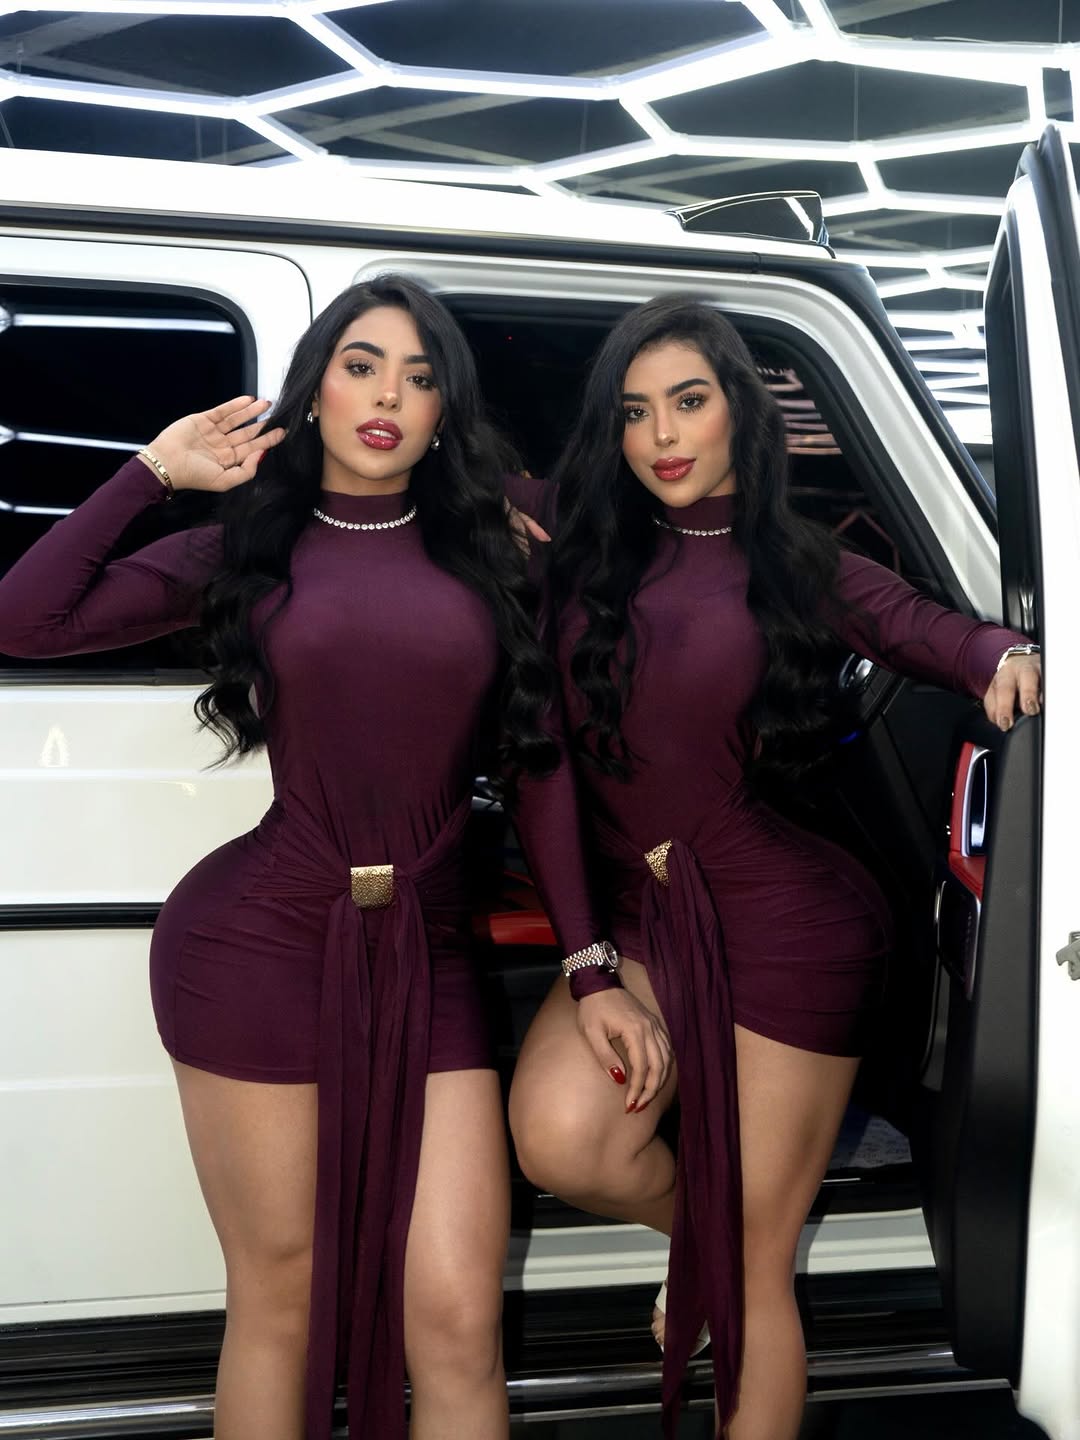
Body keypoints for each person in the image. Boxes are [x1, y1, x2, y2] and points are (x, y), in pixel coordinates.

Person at [0, 275, 624, 1440]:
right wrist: (151, 473)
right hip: (257, 950)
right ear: (315, 390)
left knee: (456, 1321)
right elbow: (21, 618)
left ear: (444, 411)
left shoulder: (496, 555)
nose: (387, 396)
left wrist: (591, 966)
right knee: (281, 1300)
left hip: (430, 959)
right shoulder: (250, 546)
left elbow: (542, 766)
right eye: (360, 366)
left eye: (419, 378)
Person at [507, 295, 1042, 1440]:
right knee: (561, 1136)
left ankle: (729, 1255)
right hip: (642, 924)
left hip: (787, 930)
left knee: (756, 1272)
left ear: (739, 412)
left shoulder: (793, 560)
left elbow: (923, 627)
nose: (664, 436)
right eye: (636, 411)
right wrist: (589, 969)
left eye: (689, 401)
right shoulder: (571, 544)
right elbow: (541, 769)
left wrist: (1002, 652)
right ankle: (703, 1237)